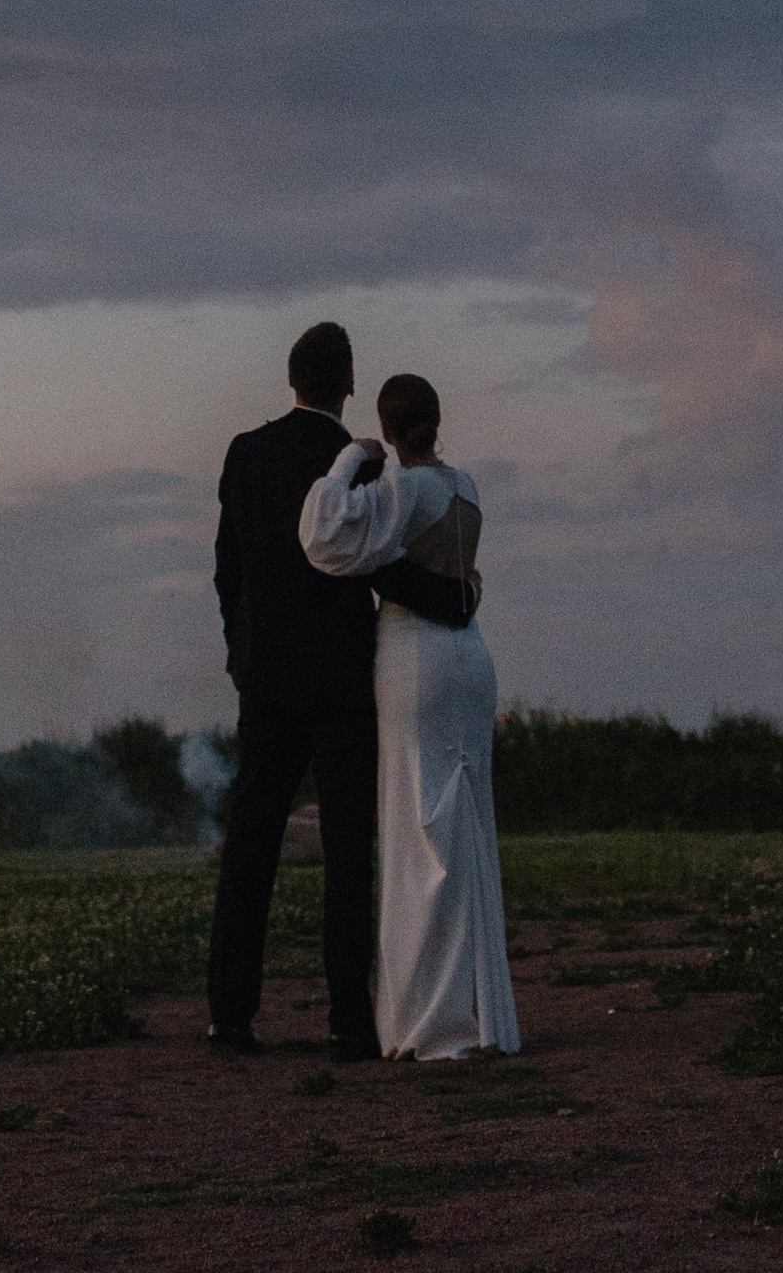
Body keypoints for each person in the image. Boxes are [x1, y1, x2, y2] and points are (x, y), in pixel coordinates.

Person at [205, 319, 483, 1058]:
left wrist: (242, 656)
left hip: (264, 680)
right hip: (338, 679)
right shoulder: (357, 462)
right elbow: (375, 562)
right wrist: (455, 596)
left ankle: (230, 1015)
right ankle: (347, 1020)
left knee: (251, 843)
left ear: (292, 380)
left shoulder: (244, 454)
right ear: (349, 384)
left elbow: (228, 571)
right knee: (347, 847)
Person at [299, 370, 519, 1060]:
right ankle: (481, 1016)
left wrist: (348, 459)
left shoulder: (403, 487)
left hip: (415, 661)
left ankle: (430, 1022)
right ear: (437, 418)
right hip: (471, 661)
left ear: (389, 429)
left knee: (418, 828)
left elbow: (324, 534)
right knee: (466, 827)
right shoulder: (467, 488)